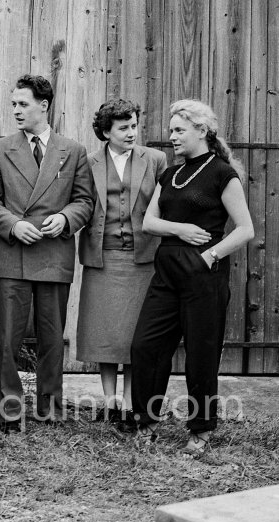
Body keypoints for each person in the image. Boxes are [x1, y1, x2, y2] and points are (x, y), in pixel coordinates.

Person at [130, 99, 254, 455]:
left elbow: (245, 230)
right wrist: (182, 229)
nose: (172, 137)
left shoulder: (221, 173)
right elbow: (149, 223)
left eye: (179, 130)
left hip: (203, 275)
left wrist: (209, 256)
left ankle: (200, 430)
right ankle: (146, 421)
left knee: (201, 353)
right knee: (146, 345)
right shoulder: (171, 174)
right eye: (171, 130)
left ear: (202, 131)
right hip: (167, 271)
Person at [0, 74, 94, 432]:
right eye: (13, 104)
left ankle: (50, 408)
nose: (15, 110)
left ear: (44, 106)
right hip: (13, 257)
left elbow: (85, 201)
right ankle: (7, 412)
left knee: (52, 339)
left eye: (22, 104)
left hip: (53, 256)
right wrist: (12, 224)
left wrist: (65, 218)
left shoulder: (72, 151)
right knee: (7, 339)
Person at [77, 99, 167, 427]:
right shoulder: (88, 163)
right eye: (123, 128)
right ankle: (109, 400)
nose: (131, 133)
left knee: (134, 334)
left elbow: (165, 204)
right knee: (105, 333)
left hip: (143, 259)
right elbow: (81, 203)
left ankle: (130, 403)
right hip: (102, 259)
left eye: (134, 126)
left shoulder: (156, 159)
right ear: (106, 132)